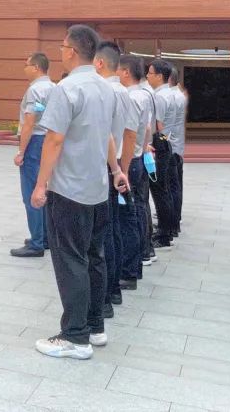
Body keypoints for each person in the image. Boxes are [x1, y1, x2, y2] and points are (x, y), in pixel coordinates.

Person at [32, 25, 128, 359]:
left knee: (70, 259)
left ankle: (75, 336)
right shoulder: (106, 88)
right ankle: (95, 326)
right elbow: (108, 136)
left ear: (71, 51)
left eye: (62, 47)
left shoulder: (67, 89)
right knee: (94, 257)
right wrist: (115, 170)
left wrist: (41, 184)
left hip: (69, 189)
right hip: (97, 189)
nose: (61, 51)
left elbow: (54, 139)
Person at [93, 41, 137, 317]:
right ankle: (114, 288)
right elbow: (131, 133)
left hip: (104, 165)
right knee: (114, 228)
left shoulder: (102, 91)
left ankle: (106, 294)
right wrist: (124, 168)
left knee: (103, 232)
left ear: (99, 63)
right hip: (117, 163)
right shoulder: (123, 92)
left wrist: (115, 170)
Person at [11, 52, 56, 257]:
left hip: (35, 141)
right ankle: (44, 237)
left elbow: (30, 122)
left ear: (36, 67)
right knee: (43, 189)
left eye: (26, 64)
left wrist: (21, 151)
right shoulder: (54, 87)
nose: (24, 68)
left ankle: (36, 242)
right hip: (48, 140)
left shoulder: (35, 90)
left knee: (31, 192)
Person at [118, 53, 154, 294]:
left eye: (118, 71)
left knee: (128, 216)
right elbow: (147, 127)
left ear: (126, 72)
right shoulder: (144, 95)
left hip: (130, 161)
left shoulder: (131, 97)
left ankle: (130, 269)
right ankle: (140, 255)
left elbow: (129, 134)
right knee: (138, 209)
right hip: (139, 157)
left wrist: (122, 168)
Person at [146, 59, 179, 250]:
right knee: (164, 189)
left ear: (159, 76)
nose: (147, 76)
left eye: (150, 73)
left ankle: (164, 234)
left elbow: (158, 124)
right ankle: (168, 228)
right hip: (166, 141)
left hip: (159, 142)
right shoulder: (170, 93)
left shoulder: (158, 97)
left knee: (159, 190)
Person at [167, 65, 188, 236]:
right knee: (176, 185)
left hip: (170, 146)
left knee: (170, 187)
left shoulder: (169, 96)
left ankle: (171, 222)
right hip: (177, 145)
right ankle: (175, 218)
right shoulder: (179, 95)